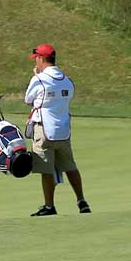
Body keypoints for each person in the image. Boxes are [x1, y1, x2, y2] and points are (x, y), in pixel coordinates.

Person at [23, 43, 90, 216]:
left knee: (46, 169)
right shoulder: (67, 80)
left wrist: (37, 76)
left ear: (41, 58)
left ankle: (49, 206)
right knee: (70, 166)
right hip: (63, 130)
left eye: (36, 58)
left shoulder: (38, 79)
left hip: (44, 129)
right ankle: (81, 201)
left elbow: (28, 100)